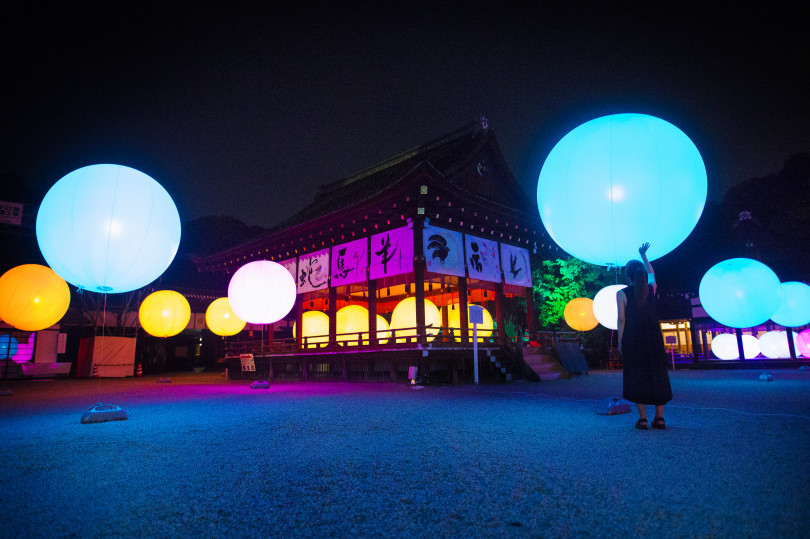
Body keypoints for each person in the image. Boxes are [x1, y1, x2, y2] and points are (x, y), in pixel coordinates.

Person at [617, 242, 672, 430]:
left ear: (627, 276)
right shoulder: (651, 289)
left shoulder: (621, 293)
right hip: (653, 337)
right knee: (657, 373)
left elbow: (621, 320)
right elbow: (652, 273)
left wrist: (620, 342)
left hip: (633, 338)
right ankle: (660, 418)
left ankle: (642, 418)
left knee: (636, 374)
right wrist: (643, 256)